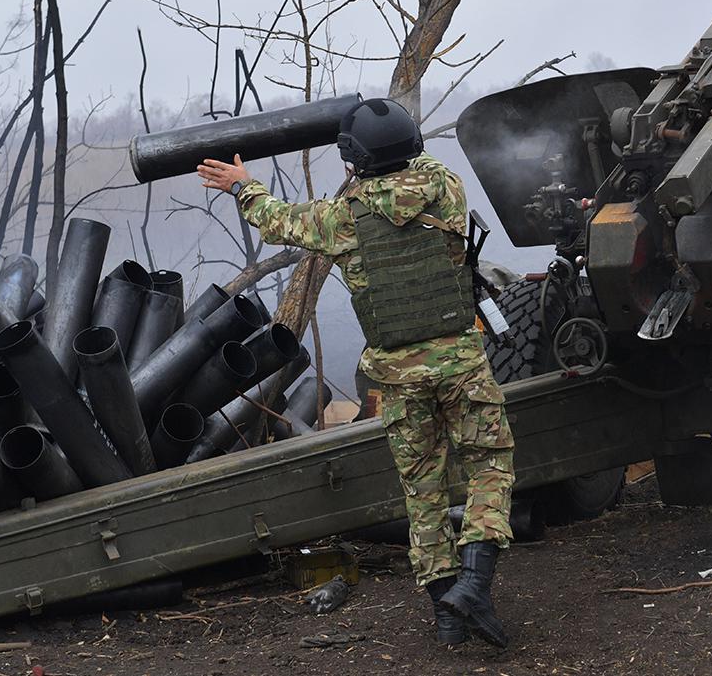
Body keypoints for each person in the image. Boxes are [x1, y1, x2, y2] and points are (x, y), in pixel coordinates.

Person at [197, 98, 514, 648]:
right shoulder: (447, 188)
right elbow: (420, 165)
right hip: (461, 362)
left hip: (395, 374)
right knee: (489, 468)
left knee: (422, 489)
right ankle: (475, 585)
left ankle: (447, 618)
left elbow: (276, 220)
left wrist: (242, 184)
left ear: (354, 160)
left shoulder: (339, 220)